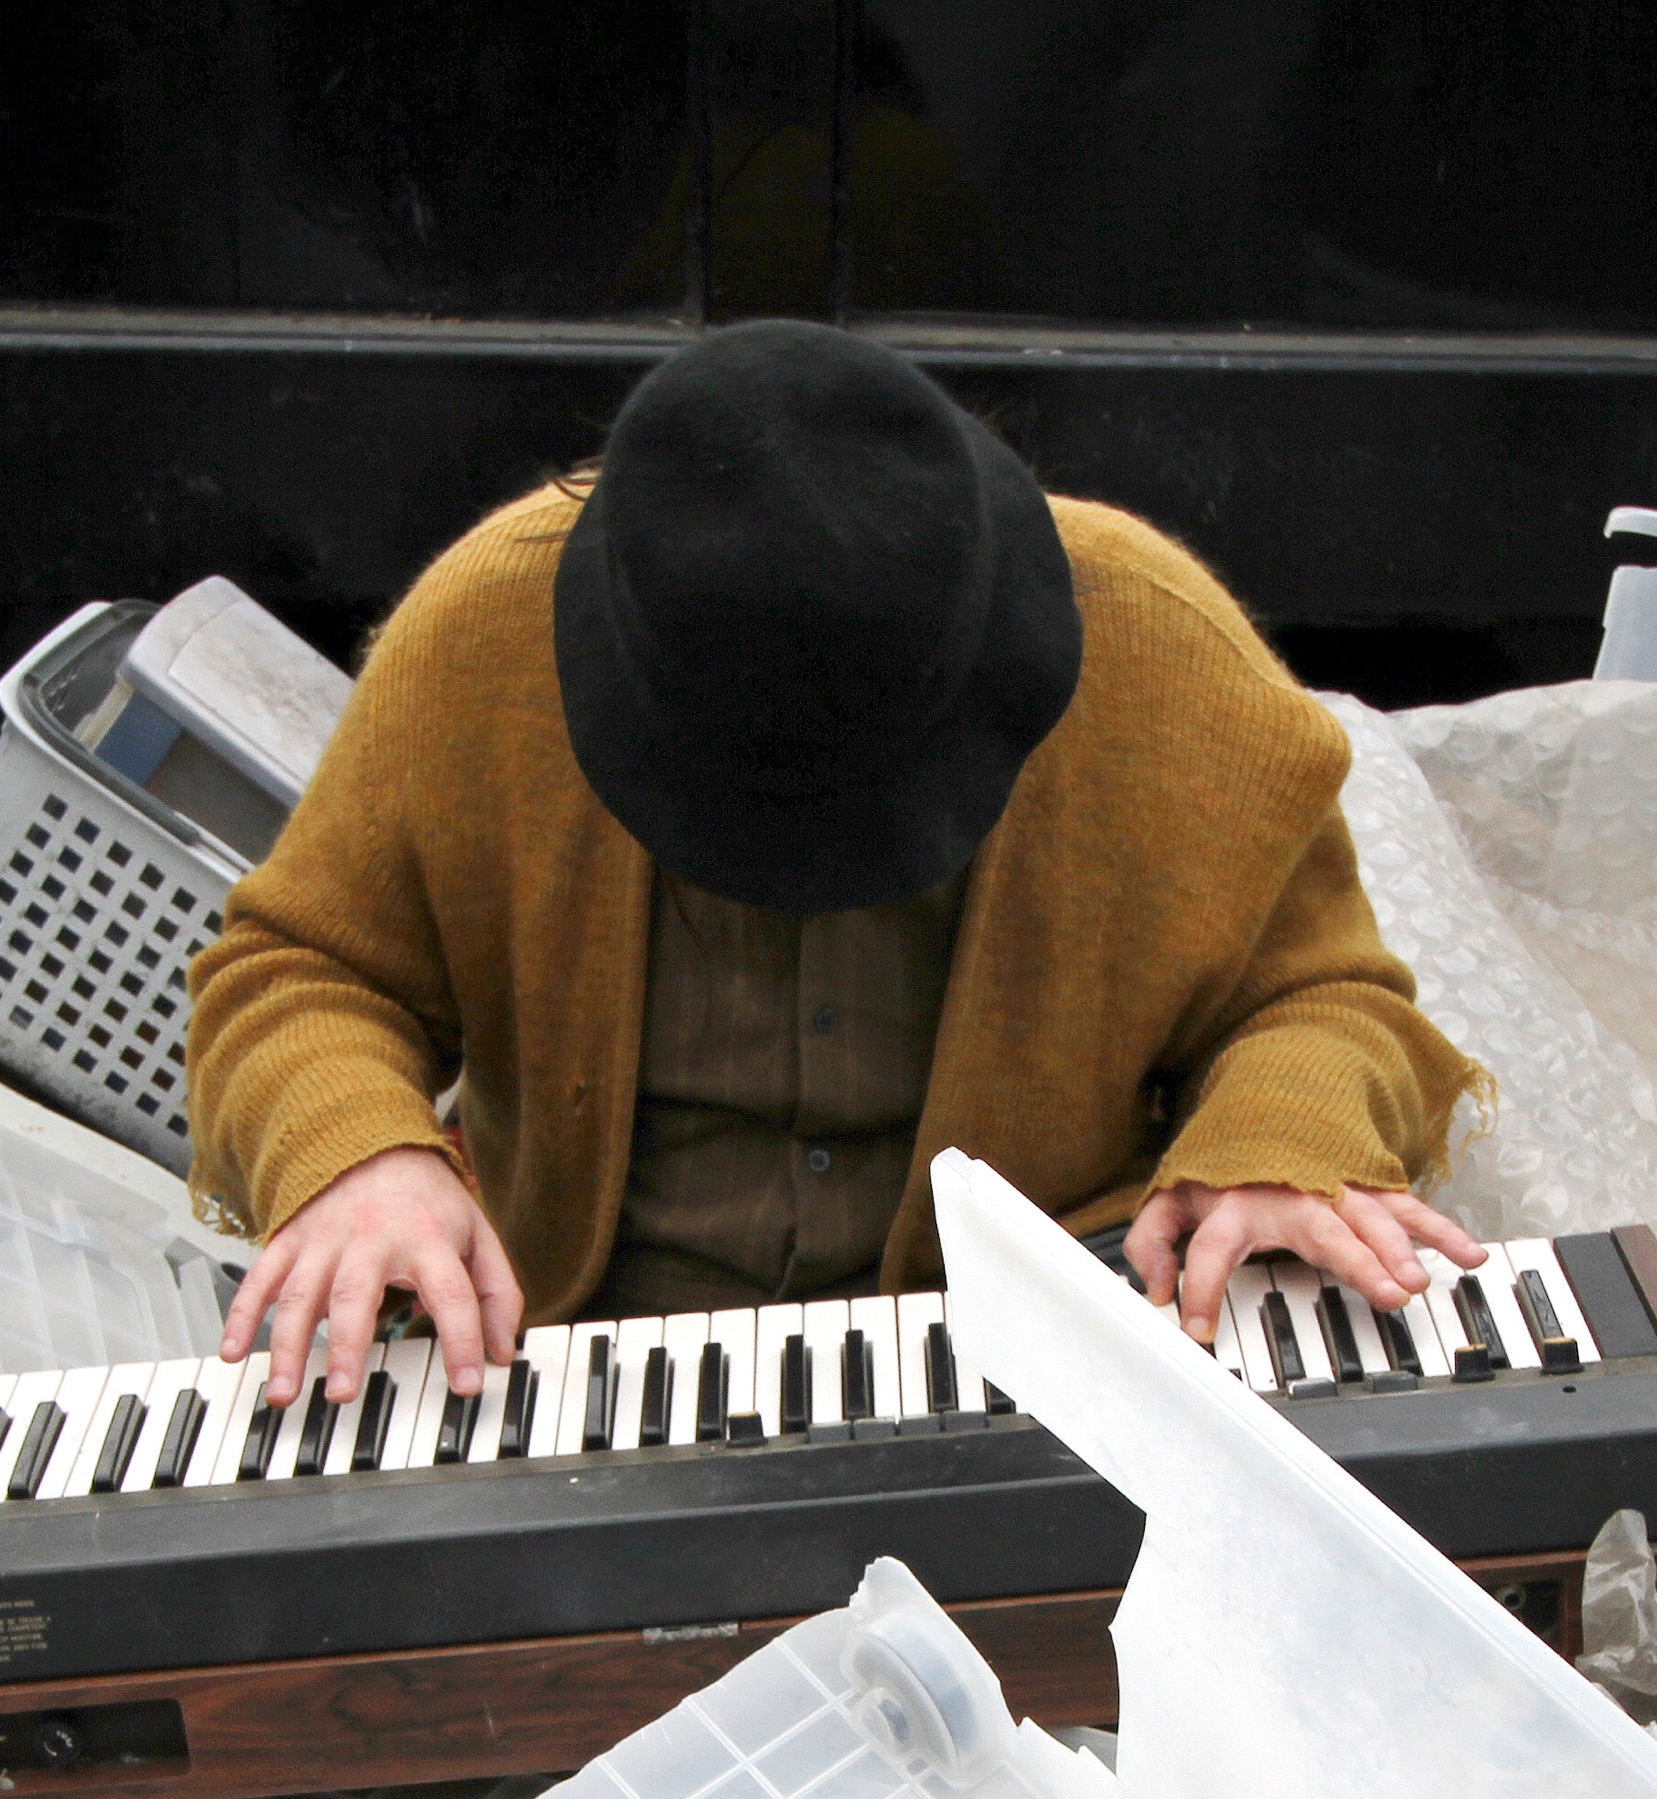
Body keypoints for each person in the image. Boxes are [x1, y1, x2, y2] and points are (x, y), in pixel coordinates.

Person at [188, 318, 1487, 1412]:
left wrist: (1274, 1140)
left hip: (1037, 1356)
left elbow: (1322, 1000)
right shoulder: (481, 631)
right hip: (567, 1364)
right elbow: (301, 971)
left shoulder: (1161, 652)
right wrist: (360, 1154)